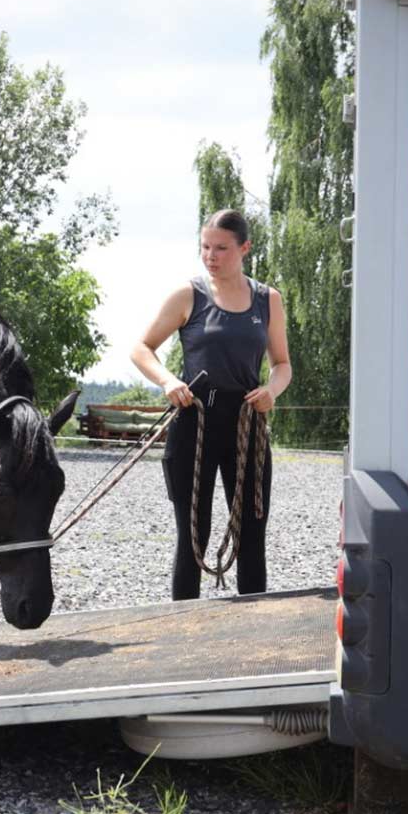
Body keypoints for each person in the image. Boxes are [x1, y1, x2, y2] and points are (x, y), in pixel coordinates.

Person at [131, 209, 292, 599]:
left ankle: (253, 626)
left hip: (246, 423)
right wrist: (168, 380)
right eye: (205, 247)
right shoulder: (189, 295)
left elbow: (282, 365)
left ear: (245, 248)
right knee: (192, 535)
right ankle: (183, 627)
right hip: (194, 421)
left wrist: (272, 390)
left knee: (252, 533)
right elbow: (141, 348)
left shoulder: (267, 300)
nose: (210, 256)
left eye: (221, 248)